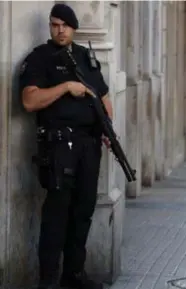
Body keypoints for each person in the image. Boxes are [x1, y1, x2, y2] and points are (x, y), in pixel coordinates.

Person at [19, 4, 112, 289]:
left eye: (65, 25)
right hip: (59, 145)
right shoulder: (40, 58)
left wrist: (106, 129)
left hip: (88, 145)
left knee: (83, 210)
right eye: (55, 24)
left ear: (74, 28)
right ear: (50, 26)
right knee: (57, 213)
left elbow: (105, 100)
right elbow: (29, 101)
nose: (60, 30)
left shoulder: (86, 57)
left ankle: (73, 274)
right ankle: (48, 280)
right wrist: (65, 87)